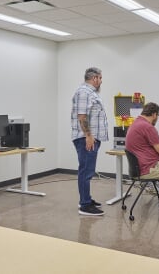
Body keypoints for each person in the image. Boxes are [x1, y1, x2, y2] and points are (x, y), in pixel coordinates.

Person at [71, 67, 108, 216]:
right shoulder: (84, 92)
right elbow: (82, 116)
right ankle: (85, 206)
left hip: (91, 137)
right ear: (95, 78)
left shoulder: (90, 93)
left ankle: (86, 199)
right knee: (86, 171)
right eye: (100, 78)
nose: (101, 81)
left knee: (88, 171)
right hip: (86, 138)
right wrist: (88, 136)